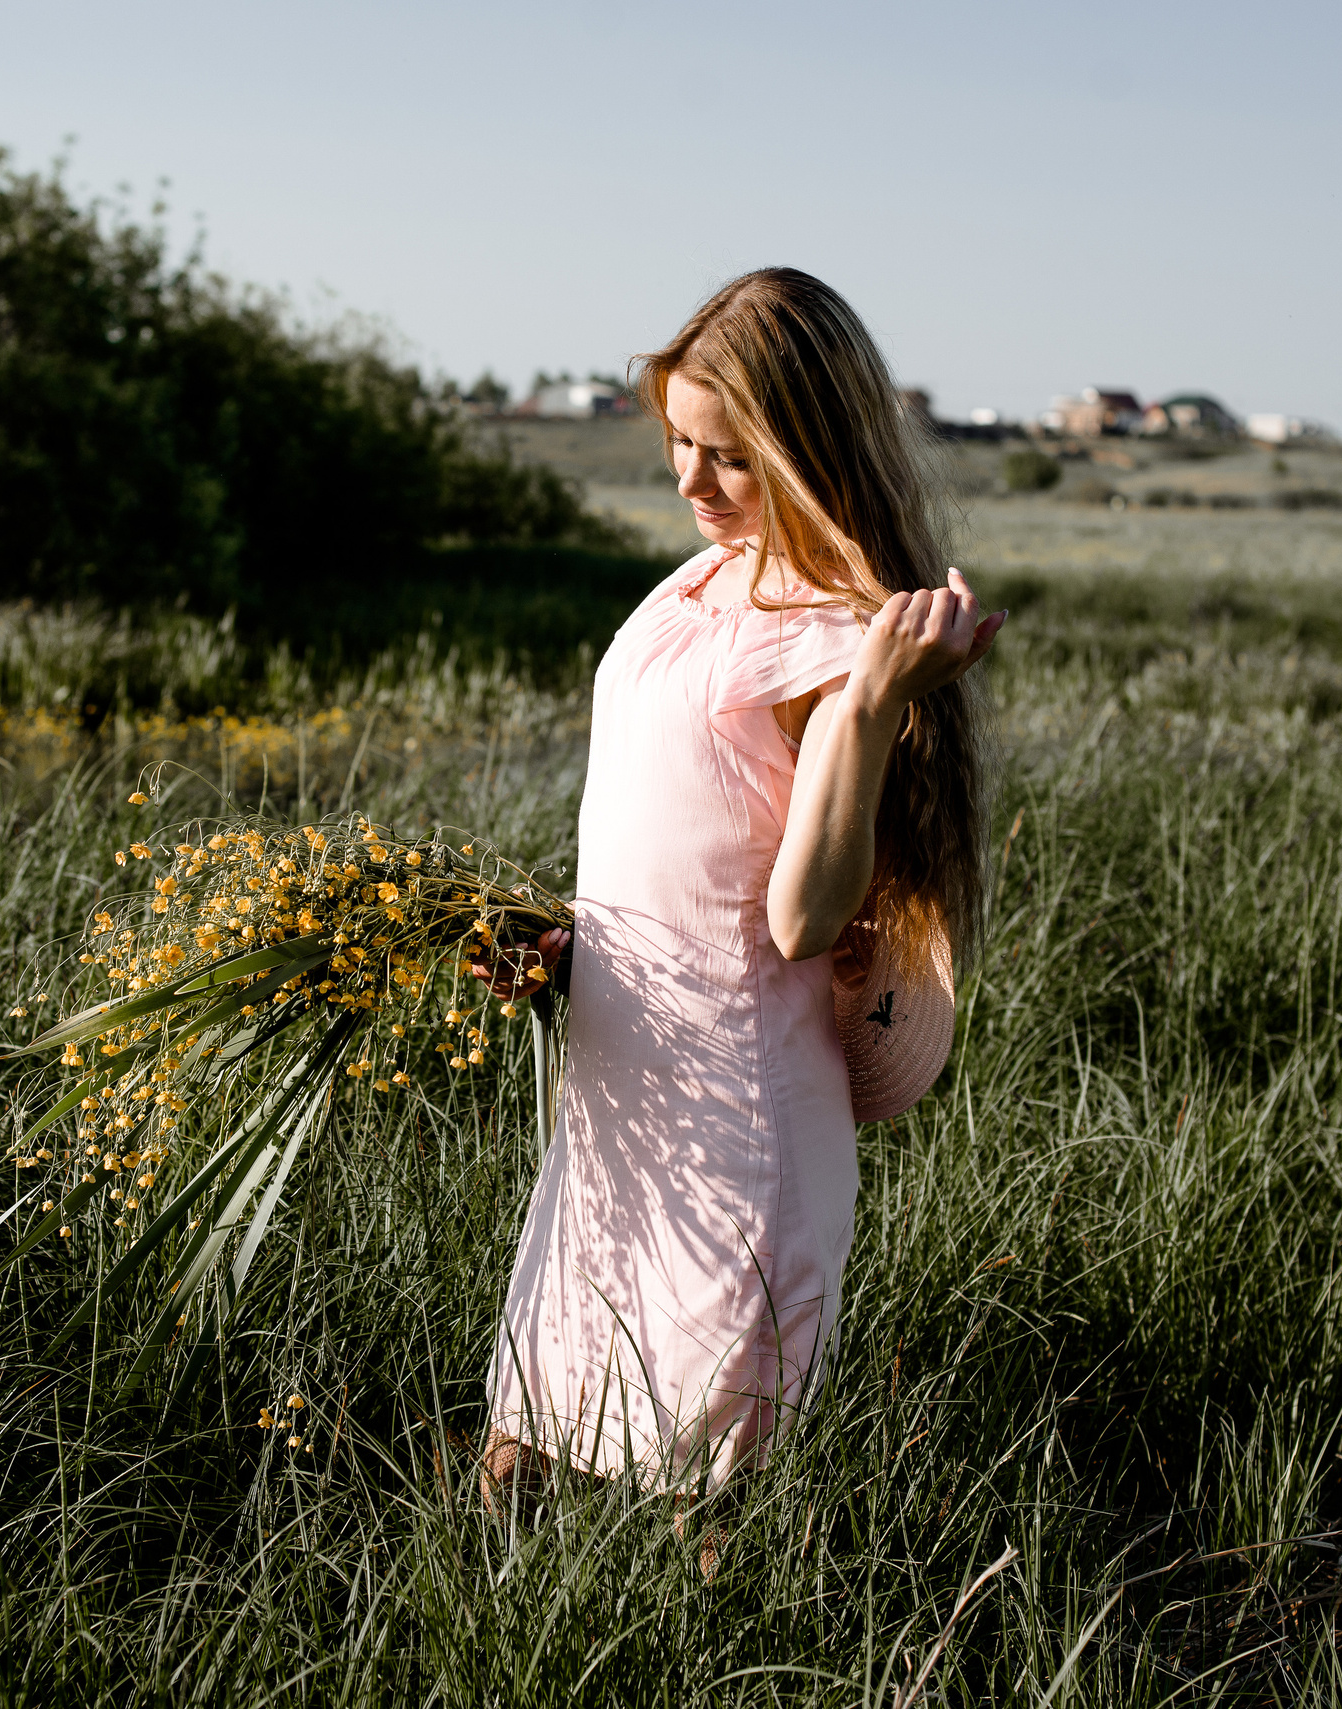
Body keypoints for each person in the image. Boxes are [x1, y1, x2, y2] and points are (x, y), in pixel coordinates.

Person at [477, 268, 1004, 1519]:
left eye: (730, 458)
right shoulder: (688, 590)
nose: (691, 484)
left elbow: (800, 918)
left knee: (705, 1503)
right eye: (677, 444)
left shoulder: (836, 637)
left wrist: (876, 700)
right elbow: (675, 842)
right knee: (525, 1450)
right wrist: (569, 948)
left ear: (808, 451)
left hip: (739, 1121)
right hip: (619, 1098)